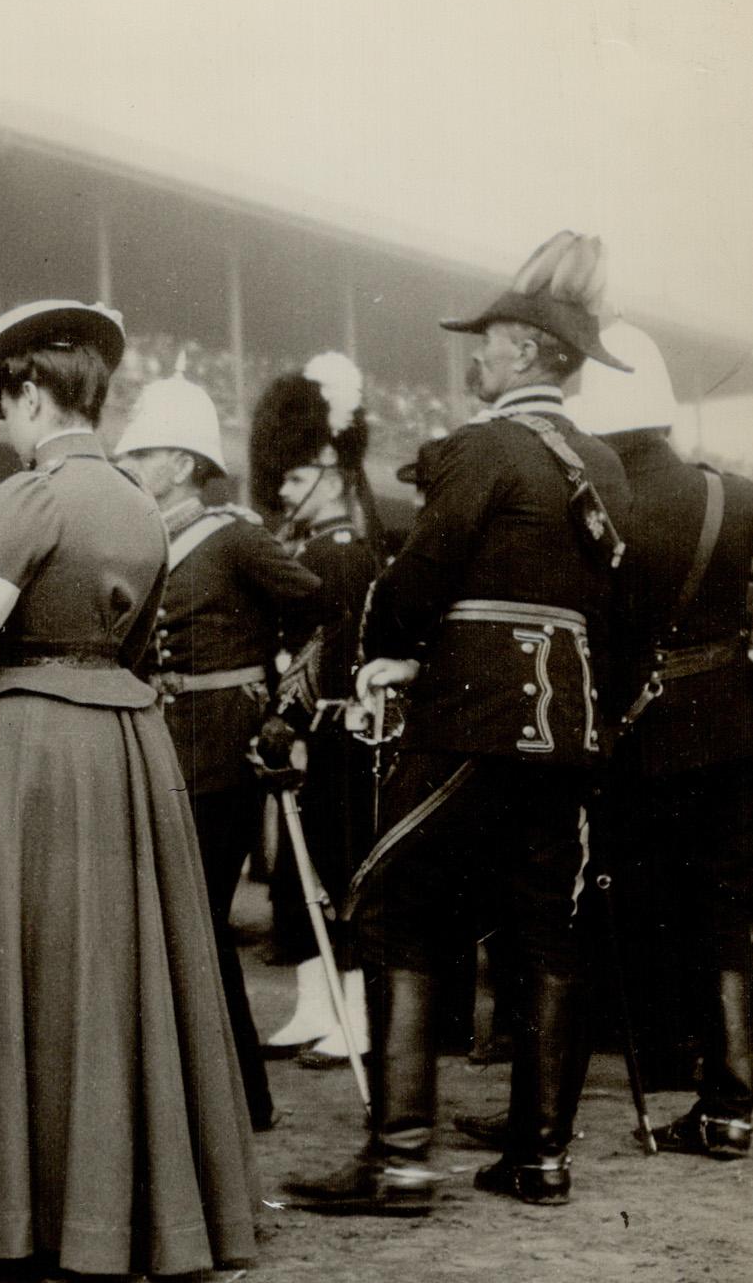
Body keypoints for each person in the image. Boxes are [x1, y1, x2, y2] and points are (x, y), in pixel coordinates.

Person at [0, 298, 261, 1278]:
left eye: (2, 404)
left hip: (31, 742)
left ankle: (25, 1215)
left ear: (26, 393)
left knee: (29, 967)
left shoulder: (29, 498)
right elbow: (139, 643)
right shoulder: (143, 509)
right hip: (125, 738)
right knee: (114, 968)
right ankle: (128, 1212)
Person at [286, 231, 631, 1213]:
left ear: (524, 349)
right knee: (544, 934)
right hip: (566, 732)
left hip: (472, 717)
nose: (473, 356)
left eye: (487, 342)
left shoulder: (483, 448)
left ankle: (398, 1160)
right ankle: (540, 1156)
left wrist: (389, 649)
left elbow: (417, 580)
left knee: (390, 900)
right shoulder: (599, 463)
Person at [114, 364, 325, 1130]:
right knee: (179, 922)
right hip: (157, 749)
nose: (129, 468)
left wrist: (286, 714)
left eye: (140, 457)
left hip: (224, 754)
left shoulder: (235, 536)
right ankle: (227, 1093)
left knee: (195, 918)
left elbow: (321, 615)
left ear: (179, 463)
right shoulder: (136, 540)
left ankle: (239, 1096)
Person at [563, 324, 752, 1160]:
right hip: (734, 727)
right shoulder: (733, 496)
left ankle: (552, 1111)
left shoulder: (596, 503)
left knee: (595, 911)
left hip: (633, 737)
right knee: (725, 913)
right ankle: (730, 1101)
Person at [249, 354, 382, 1070]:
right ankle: (314, 1003)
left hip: (341, 731)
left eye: (298, 478)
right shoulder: (310, 547)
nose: (286, 490)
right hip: (313, 731)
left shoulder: (342, 550)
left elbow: (320, 650)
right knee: (296, 877)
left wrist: (289, 719)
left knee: (339, 868)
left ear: (331, 471)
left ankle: (355, 1013)